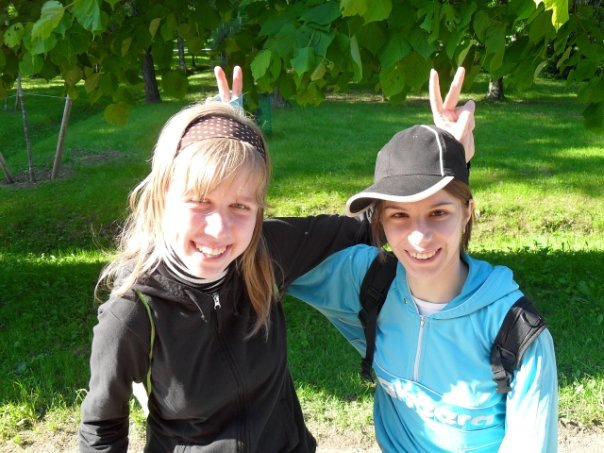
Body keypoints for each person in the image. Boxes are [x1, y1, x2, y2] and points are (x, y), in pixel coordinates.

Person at [78, 66, 476, 452]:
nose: (220, 229)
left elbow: (373, 223)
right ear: (161, 198)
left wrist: (444, 159)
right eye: (200, 202)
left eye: (240, 205)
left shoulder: (263, 253)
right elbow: (102, 430)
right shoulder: (133, 312)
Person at [288, 125, 558, 452]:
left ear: (467, 212)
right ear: (380, 221)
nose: (419, 237)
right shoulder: (368, 281)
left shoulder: (515, 331)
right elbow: (257, 250)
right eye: (399, 215)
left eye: (438, 212)